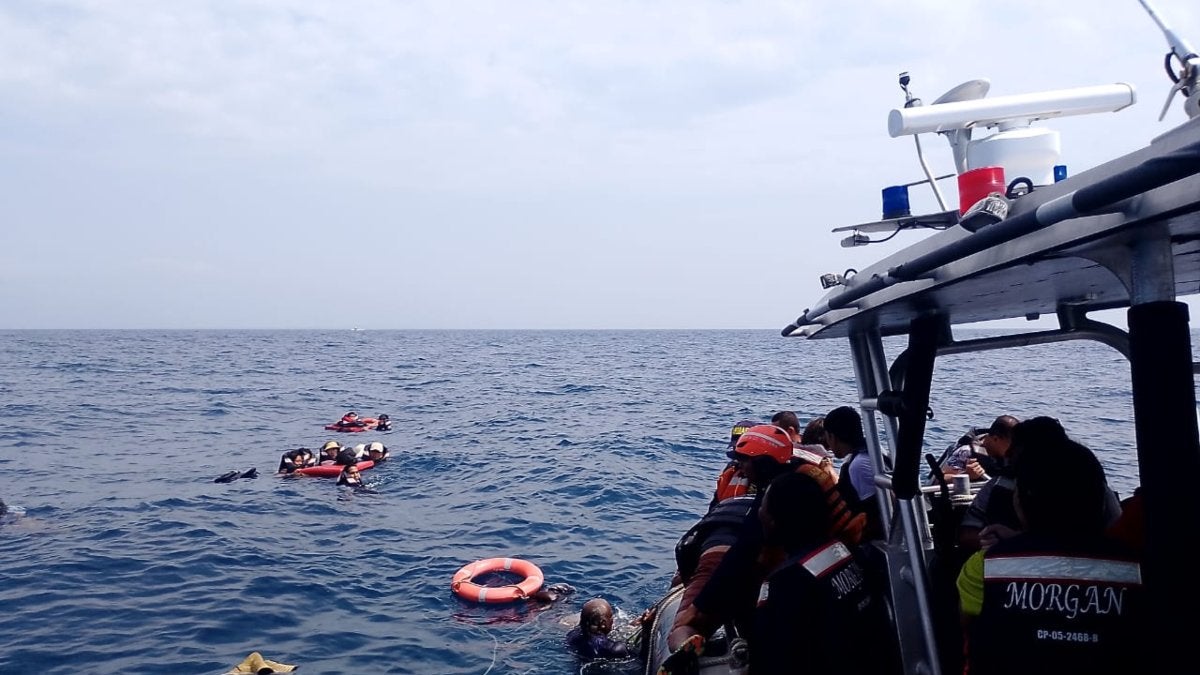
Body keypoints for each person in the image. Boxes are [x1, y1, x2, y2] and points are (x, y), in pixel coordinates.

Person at [957, 435, 1143, 675]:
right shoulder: (1138, 566)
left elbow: (969, 628)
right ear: (1100, 500)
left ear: (1021, 500)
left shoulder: (984, 566)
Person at [666, 425, 795, 666]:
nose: (741, 466)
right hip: (762, 564)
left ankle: (686, 644)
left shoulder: (764, 503)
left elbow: (736, 558)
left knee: (683, 625)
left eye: (744, 460)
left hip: (720, 551)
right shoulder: (792, 487)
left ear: (762, 464)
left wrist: (696, 607)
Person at [751, 471, 892, 675]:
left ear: (776, 520)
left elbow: (772, 660)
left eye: (764, 507)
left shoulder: (785, 582)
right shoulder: (850, 554)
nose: (759, 512)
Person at [823, 406, 881, 539]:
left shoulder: (858, 465)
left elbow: (874, 511)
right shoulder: (873, 451)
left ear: (832, 437)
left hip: (870, 539)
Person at [772, 410, 837, 480]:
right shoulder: (821, 457)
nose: (773, 436)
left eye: (778, 432)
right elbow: (835, 482)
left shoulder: (790, 452)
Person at [710, 420, 758, 507]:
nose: (740, 462)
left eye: (745, 457)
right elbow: (714, 506)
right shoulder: (730, 471)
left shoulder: (772, 479)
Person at [566, 597, 632, 660]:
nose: (613, 620)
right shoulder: (616, 649)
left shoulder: (571, 636)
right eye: (611, 617)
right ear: (603, 624)